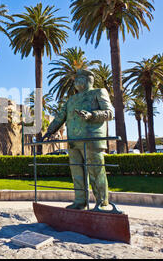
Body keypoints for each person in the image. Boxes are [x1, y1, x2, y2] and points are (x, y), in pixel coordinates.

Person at [42, 69, 114, 210]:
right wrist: (50, 130)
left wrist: (91, 115)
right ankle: (80, 202)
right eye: (75, 79)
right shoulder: (71, 100)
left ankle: (102, 203)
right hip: (74, 141)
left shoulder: (99, 92)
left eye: (79, 78)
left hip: (92, 139)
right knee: (77, 174)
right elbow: (60, 117)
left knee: (96, 172)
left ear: (89, 79)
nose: (75, 82)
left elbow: (110, 113)